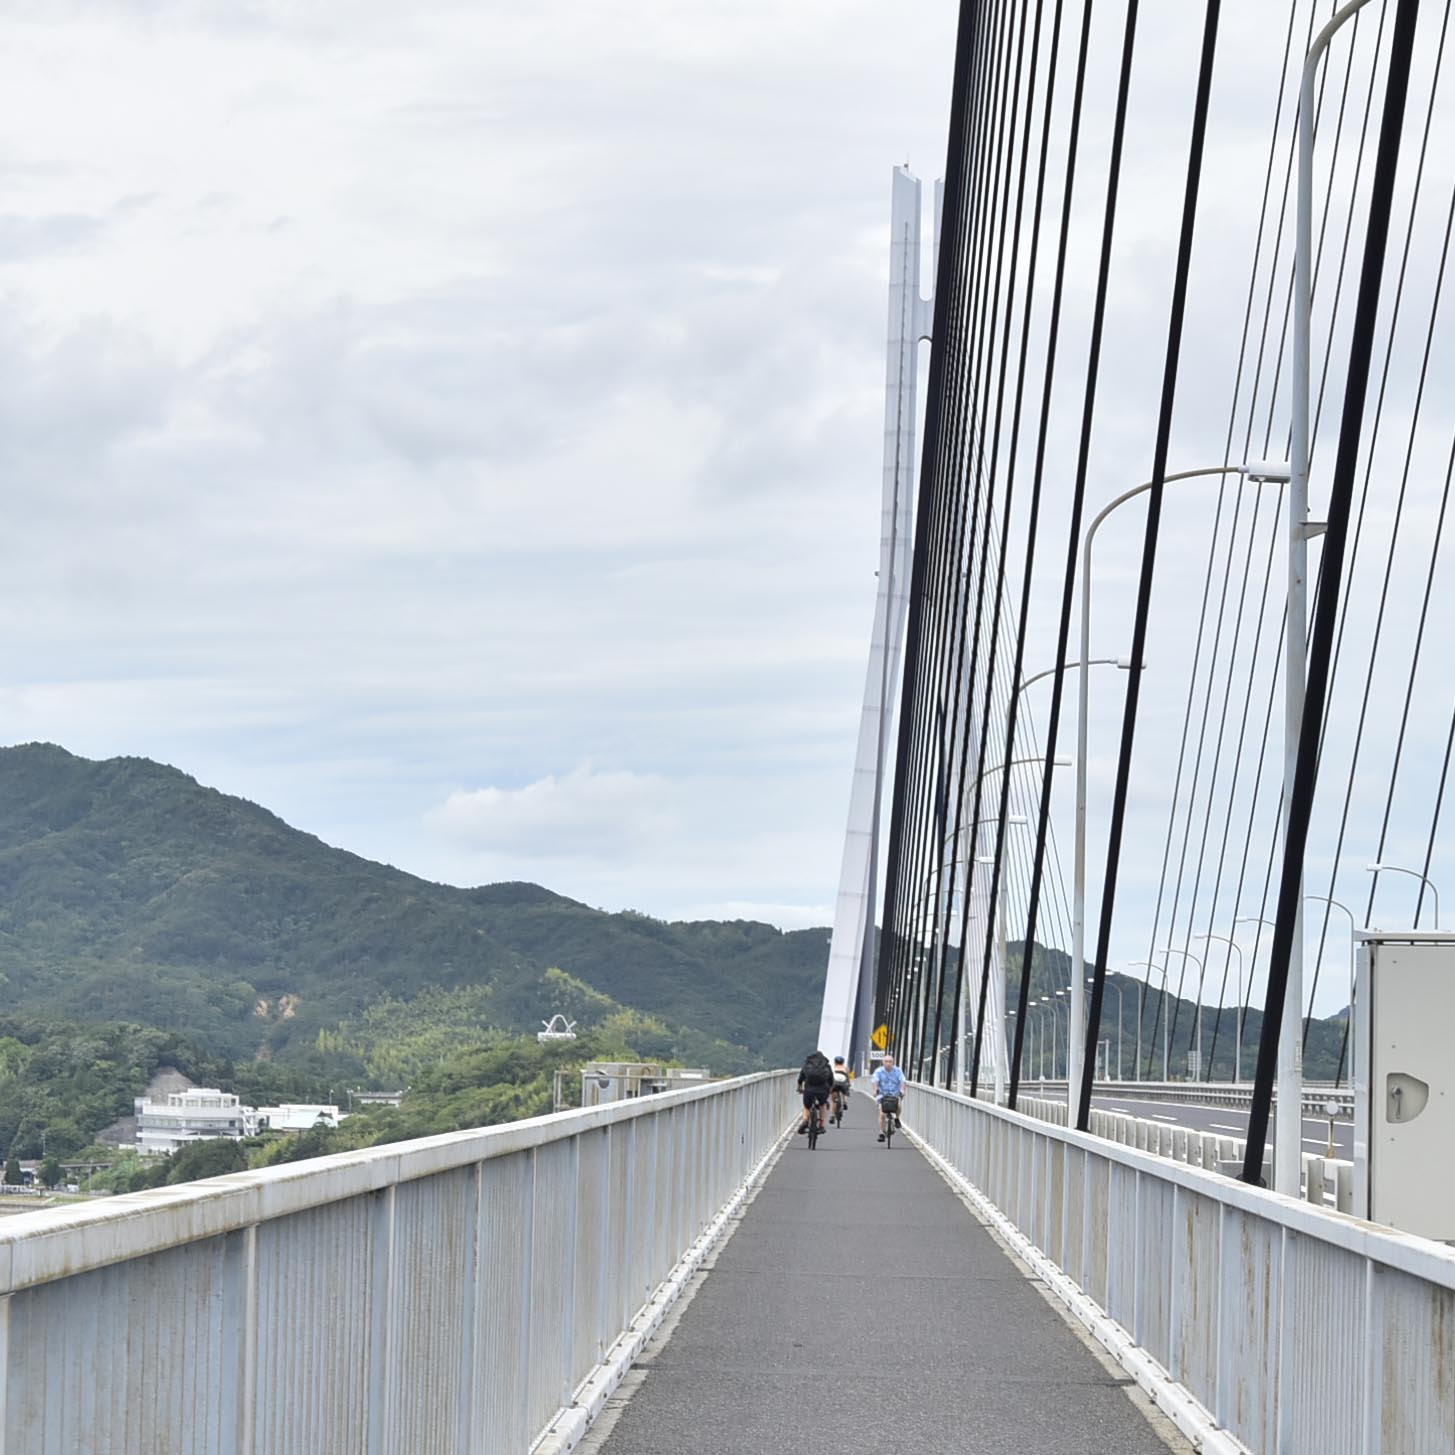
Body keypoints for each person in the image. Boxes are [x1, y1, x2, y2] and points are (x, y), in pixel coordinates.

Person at [796, 1049, 834, 1135]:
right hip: (822, 1090)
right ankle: (821, 1125)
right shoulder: (826, 1065)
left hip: (809, 1089)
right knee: (822, 1105)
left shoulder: (808, 1064)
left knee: (807, 1106)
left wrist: (799, 1086)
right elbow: (831, 1079)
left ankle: (805, 1120)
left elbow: (801, 1077)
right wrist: (831, 1088)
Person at [872, 1054, 907, 1142]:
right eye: (886, 1061)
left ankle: (897, 1118)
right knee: (882, 1113)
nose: (888, 1063)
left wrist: (902, 1090)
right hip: (883, 1094)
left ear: (893, 1062)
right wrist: (875, 1090)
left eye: (890, 1061)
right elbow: (875, 1081)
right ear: (883, 1062)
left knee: (898, 1104)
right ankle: (881, 1132)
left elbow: (902, 1080)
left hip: (894, 1093)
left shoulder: (898, 1071)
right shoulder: (878, 1071)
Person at [830, 1056, 852, 1123]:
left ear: (835, 1062)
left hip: (835, 1083)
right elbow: (847, 1077)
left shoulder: (833, 1068)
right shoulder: (845, 1068)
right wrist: (849, 1084)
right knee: (845, 1092)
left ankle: (833, 1116)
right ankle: (845, 1102)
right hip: (843, 1083)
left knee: (834, 1100)